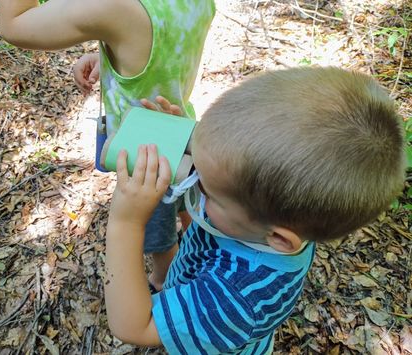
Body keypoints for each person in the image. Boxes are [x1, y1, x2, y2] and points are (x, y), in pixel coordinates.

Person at [104, 67, 405, 353]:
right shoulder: (279, 217)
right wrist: (183, 141)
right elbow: (233, 183)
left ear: (280, 238)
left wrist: (125, 223)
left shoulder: (236, 298)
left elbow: (135, 327)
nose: (195, 178)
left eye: (208, 189)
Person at [0, 0, 216, 292]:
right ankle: (205, 252)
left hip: (144, 158)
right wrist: (117, 50)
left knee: (158, 234)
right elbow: (162, 44)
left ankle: (166, 280)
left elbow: (14, 24)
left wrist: (120, 35)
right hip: (179, 130)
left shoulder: (113, 8)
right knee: (187, 202)